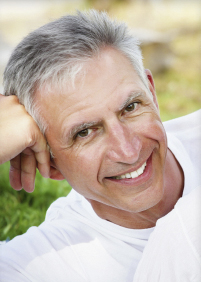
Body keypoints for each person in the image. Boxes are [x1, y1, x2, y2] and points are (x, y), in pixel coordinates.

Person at [0, 10, 200, 282]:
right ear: (51, 162)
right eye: (84, 132)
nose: (128, 151)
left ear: (152, 94)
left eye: (130, 107)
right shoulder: (46, 264)